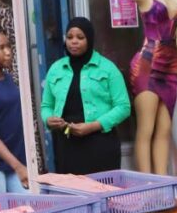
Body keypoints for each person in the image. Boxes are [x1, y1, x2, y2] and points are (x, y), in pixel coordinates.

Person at [41, 17, 131, 174]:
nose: (73, 42)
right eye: (69, 37)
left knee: (103, 193)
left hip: (100, 145)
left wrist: (93, 126)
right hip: (66, 147)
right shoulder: (56, 69)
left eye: (80, 37)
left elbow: (123, 107)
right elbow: (46, 106)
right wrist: (49, 119)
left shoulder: (108, 69)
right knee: (73, 196)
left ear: (89, 39)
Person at [0, 28, 27, 192]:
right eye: (1, 48)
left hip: (17, 160)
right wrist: (17, 166)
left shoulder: (9, 79)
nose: (8, 52)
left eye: (9, 46)